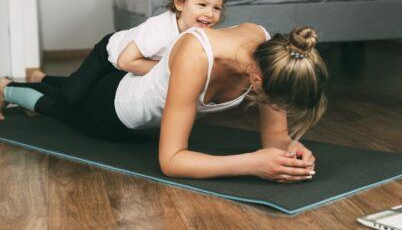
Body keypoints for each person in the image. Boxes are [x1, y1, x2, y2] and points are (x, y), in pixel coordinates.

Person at [0, 23, 328, 183]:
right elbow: (171, 160)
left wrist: (292, 149)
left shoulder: (274, 57)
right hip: (112, 111)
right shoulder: (197, 56)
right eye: (278, 102)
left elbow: (276, 138)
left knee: (67, 89)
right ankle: (6, 89)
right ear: (258, 81)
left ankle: (41, 76)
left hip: (135, 87)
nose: (278, 109)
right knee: (53, 108)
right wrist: (252, 163)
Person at [28, 0, 227, 107]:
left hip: (129, 64)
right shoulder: (160, 30)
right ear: (180, 3)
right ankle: (15, 86)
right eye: (202, 5)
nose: (210, 14)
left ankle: (41, 77)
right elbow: (125, 61)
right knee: (71, 97)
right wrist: (166, 69)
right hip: (108, 55)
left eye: (217, 7)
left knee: (84, 88)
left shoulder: (201, 34)